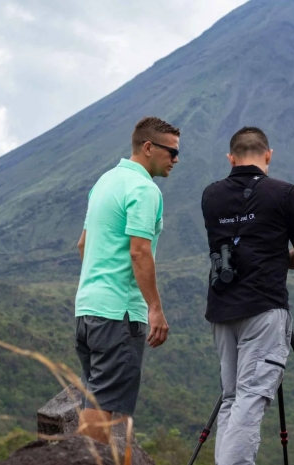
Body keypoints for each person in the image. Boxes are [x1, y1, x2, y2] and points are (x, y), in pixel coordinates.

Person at [201, 127, 294, 465]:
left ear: (230, 158)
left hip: (222, 309)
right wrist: (275, 260)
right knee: (250, 398)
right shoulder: (285, 193)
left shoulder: (211, 195)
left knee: (231, 398)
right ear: (269, 155)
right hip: (264, 308)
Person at [74, 116, 180, 443]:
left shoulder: (105, 182)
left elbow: (83, 244)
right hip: (119, 314)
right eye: (171, 152)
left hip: (88, 308)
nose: (175, 159)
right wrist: (155, 309)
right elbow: (139, 251)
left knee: (96, 399)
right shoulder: (144, 190)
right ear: (148, 147)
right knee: (107, 406)